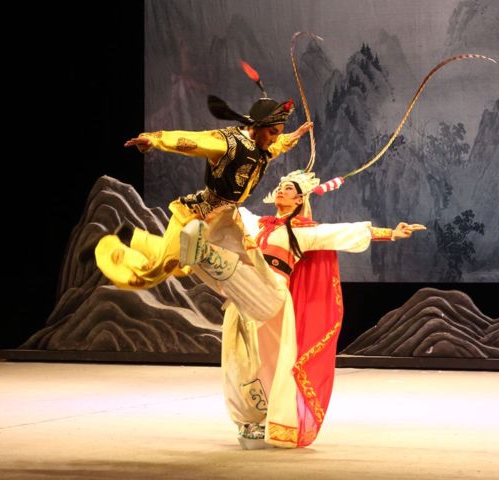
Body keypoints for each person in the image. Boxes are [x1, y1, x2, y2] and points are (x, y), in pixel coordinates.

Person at [178, 170, 426, 449]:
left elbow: (344, 233)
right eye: (280, 186)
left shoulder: (303, 233)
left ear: (299, 199)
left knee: (270, 360)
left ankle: (209, 261)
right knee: (240, 359)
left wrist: (391, 233)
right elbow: (230, 210)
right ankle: (251, 418)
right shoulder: (257, 224)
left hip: (272, 295)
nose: (281, 190)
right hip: (243, 300)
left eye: (288, 188)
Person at [94, 93, 313, 289]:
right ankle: (110, 250)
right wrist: (154, 139)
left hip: (227, 218)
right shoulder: (226, 143)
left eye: (277, 134)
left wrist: (292, 136)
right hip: (199, 214)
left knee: (197, 266)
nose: (274, 138)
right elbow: (192, 141)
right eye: (272, 132)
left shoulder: (263, 146)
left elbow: (275, 146)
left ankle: (132, 236)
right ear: (258, 125)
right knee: (158, 271)